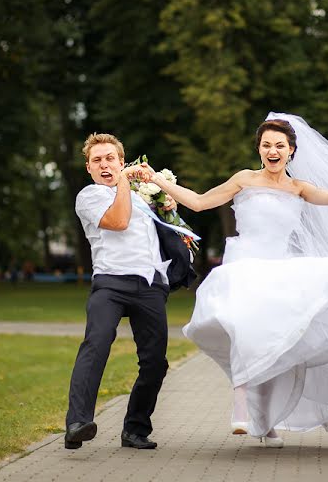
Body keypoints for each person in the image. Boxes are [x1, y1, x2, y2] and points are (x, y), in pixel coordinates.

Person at [147, 114, 328, 449]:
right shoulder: (244, 179)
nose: (272, 151)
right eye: (266, 145)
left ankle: (291, 413)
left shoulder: (298, 187)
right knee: (241, 329)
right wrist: (158, 182)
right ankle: (242, 407)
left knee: (295, 337)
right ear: (259, 149)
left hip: (281, 270)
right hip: (244, 266)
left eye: (280, 145)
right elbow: (201, 202)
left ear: (291, 151)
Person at [64, 133, 196, 450]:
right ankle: (77, 423)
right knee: (96, 344)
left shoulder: (140, 196)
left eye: (111, 158)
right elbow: (119, 221)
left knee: (155, 363)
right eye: (97, 160)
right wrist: (124, 182)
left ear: (121, 161)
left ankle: (135, 429)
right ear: (89, 168)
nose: (104, 164)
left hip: (149, 285)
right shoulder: (90, 196)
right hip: (110, 282)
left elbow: (166, 228)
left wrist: (167, 205)